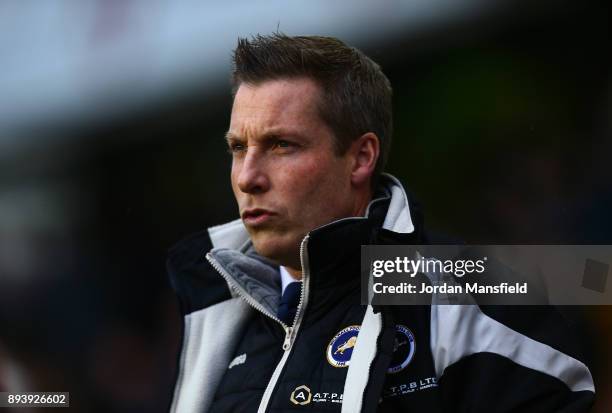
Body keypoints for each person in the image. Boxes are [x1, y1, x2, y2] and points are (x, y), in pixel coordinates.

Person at [167, 34, 595, 412]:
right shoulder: (208, 319)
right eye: (238, 148)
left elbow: (593, 280)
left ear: (361, 158)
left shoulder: (466, 298)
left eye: (281, 145)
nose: (247, 177)